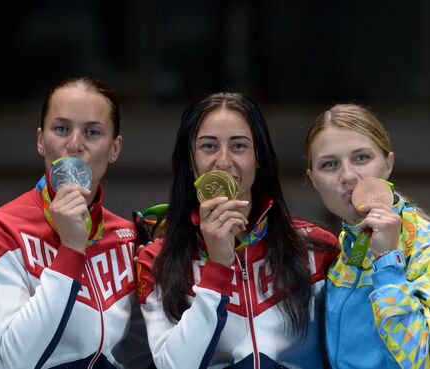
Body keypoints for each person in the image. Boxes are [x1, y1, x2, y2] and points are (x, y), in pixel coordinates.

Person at [0, 76, 153, 369]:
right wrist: (71, 249)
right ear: (40, 140)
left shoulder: (128, 238)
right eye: (61, 129)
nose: (74, 144)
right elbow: (16, 358)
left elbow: (143, 354)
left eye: (92, 132)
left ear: (115, 148)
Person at [136, 92, 339, 368]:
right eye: (208, 146)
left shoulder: (316, 249)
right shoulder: (158, 259)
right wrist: (218, 267)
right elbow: (174, 365)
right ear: (191, 162)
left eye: (239, 146)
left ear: (258, 158)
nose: (223, 160)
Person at [304, 103, 430, 369]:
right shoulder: (342, 256)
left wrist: (387, 262)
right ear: (312, 179)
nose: (348, 176)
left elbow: (426, 360)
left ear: (388, 164)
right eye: (329, 164)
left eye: (361, 158)